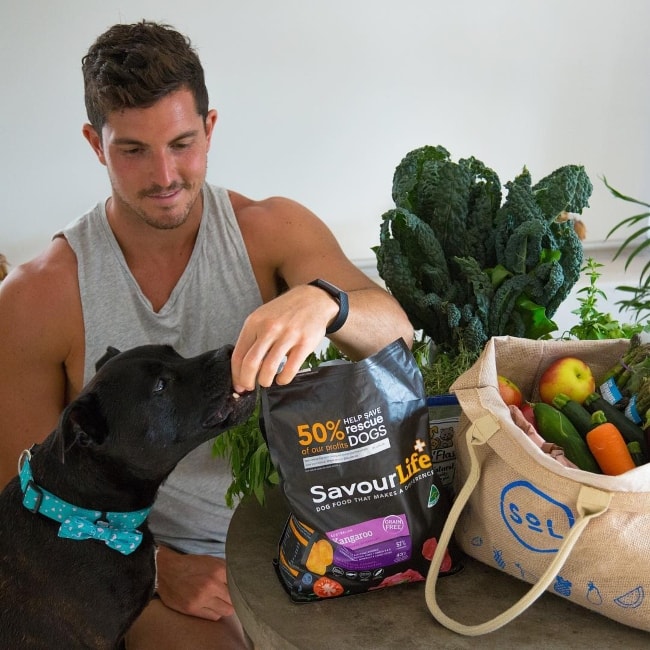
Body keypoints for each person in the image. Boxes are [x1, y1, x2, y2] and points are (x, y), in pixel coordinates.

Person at [0, 20, 413, 650]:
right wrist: (160, 568)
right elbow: (22, 500)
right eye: (133, 150)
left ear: (211, 129)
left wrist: (325, 303)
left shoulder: (271, 229)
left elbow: (396, 337)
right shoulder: (38, 298)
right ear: (95, 143)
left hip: (306, 535)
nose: (164, 175)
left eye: (182, 143)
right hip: (155, 571)